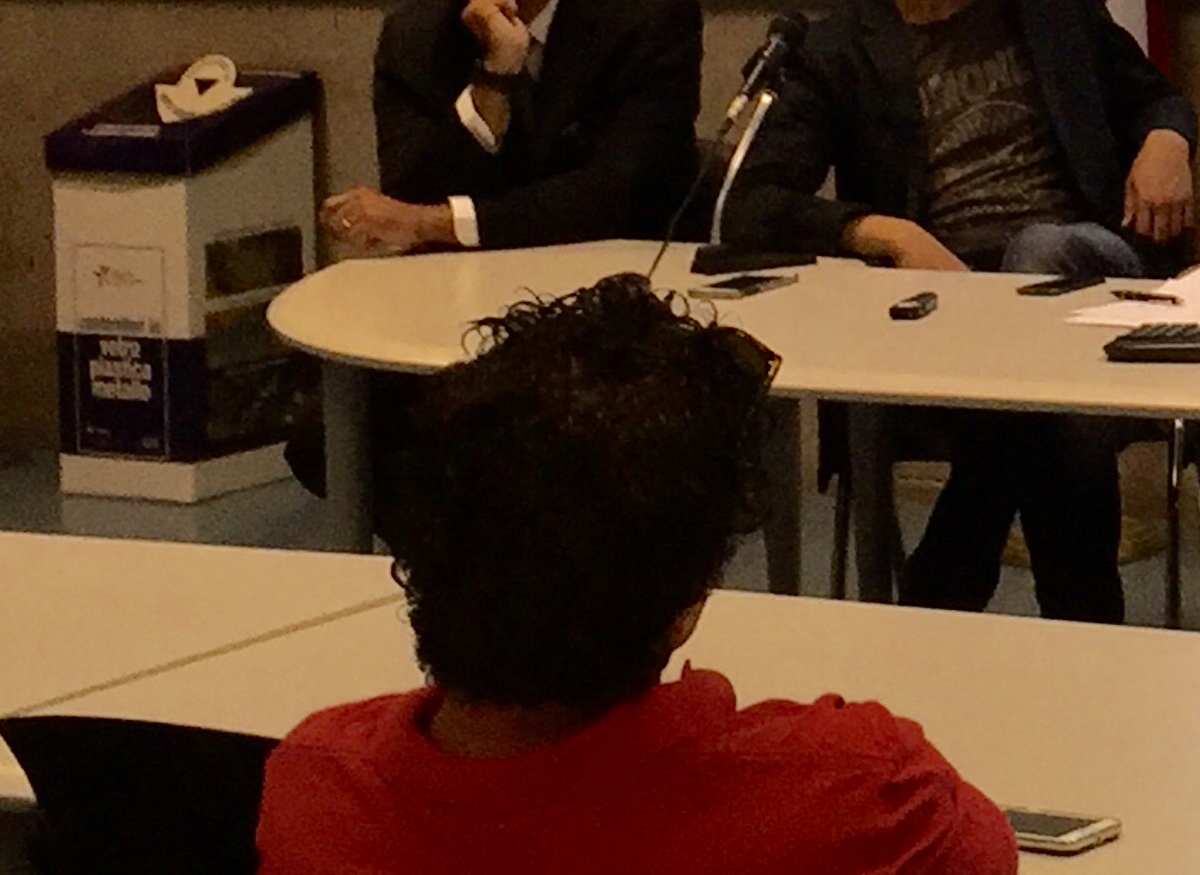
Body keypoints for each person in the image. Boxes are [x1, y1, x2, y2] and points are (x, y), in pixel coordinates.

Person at [256, 275, 1015, 875]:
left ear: (422, 550)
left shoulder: (315, 792)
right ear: (683, 606)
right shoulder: (863, 794)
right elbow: (985, 854)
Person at [728, 0, 1197, 622]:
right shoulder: (839, 46)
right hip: (947, 310)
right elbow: (750, 203)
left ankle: (941, 589)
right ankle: (1087, 623)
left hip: (1094, 276)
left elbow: (1154, 97)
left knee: (1039, 254)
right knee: (1050, 416)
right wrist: (883, 230)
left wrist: (1167, 140)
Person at [321, 0, 701, 257]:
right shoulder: (416, 34)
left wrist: (435, 223)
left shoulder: (648, 23)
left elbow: (613, 198)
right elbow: (413, 194)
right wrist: (494, 76)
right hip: (459, 281)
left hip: (614, 276)